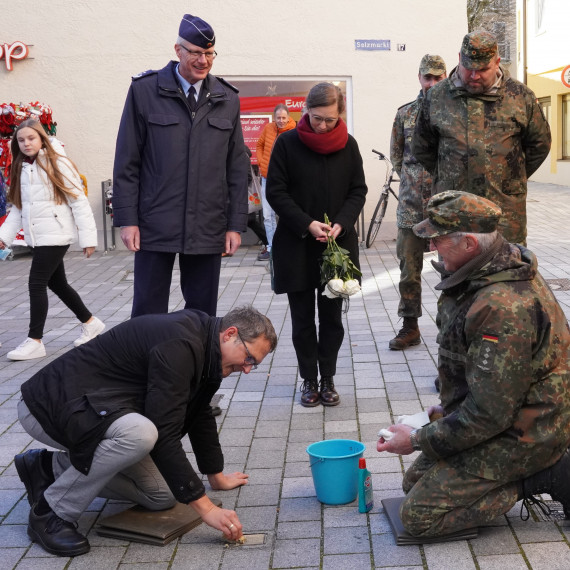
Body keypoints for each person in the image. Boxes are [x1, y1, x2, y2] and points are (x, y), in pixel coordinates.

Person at [377, 191, 570, 538]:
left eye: (437, 239)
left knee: (418, 518)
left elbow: (489, 415)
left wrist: (419, 438)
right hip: (508, 414)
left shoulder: (501, 306)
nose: (432, 247)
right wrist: (440, 414)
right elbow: (488, 388)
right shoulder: (486, 268)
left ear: (468, 242)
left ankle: (543, 475)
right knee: (413, 482)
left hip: (528, 432)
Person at [14, 305, 277, 557]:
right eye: (249, 358)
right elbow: (164, 433)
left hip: (96, 409)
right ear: (230, 334)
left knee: (164, 494)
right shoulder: (180, 345)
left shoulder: (209, 351)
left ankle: (45, 468)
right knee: (140, 434)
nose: (247, 369)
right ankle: (51, 514)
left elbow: (199, 412)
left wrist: (215, 475)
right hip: (50, 406)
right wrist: (206, 508)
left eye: (253, 364)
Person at [112, 13, 248, 318]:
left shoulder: (228, 98)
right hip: (154, 223)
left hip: (208, 225)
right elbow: (127, 161)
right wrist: (127, 219)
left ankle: (195, 366)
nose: (203, 61)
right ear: (178, 51)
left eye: (209, 53)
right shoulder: (144, 91)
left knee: (202, 314)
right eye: (196, 53)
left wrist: (235, 225)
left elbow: (237, 168)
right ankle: (145, 365)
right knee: (148, 310)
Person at [267, 83, 367, 407]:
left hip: (335, 246)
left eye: (329, 119)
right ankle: (308, 379)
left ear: (340, 114)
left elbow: (358, 190)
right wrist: (306, 224)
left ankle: (328, 378)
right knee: (302, 320)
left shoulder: (348, 145)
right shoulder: (286, 143)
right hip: (297, 244)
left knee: (332, 319)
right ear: (305, 111)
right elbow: (276, 192)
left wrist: (343, 221)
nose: (322, 125)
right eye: (315, 118)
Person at [412, 30, 551, 246]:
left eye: (483, 69)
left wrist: (510, 177)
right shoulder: (437, 97)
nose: (474, 76)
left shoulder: (521, 97)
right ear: (459, 58)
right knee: (456, 275)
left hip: (504, 214)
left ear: (497, 62)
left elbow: (540, 144)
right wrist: (450, 175)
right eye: (469, 68)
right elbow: (422, 147)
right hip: (454, 212)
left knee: (506, 274)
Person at [0, 119, 104, 361]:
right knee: (57, 284)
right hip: (39, 235)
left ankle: (35, 340)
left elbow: (78, 201)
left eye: (31, 138)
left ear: (42, 138)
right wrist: (3, 237)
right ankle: (91, 322)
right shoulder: (20, 167)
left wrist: (88, 238)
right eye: (21, 140)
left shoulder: (58, 163)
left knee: (36, 283)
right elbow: (17, 208)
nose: (26, 143)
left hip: (56, 233)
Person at [389, 54, 447, 351]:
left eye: (439, 77)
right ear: (420, 77)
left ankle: (449, 329)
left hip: (447, 210)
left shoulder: (454, 114)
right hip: (411, 208)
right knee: (408, 270)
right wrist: (414, 182)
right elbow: (397, 157)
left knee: (451, 271)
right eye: (428, 77)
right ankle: (409, 327)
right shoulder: (405, 114)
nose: (433, 83)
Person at [256, 104, 296, 261]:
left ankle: (288, 246)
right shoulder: (268, 128)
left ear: (288, 117)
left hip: (285, 180)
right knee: (267, 215)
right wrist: (261, 162)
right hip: (267, 178)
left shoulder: (294, 131)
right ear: (274, 117)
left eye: (283, 118)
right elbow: (259, 145)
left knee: (286, 213)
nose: (281, 121)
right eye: (278, 118)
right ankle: (272, 247)